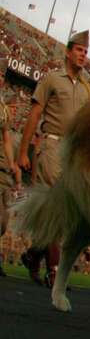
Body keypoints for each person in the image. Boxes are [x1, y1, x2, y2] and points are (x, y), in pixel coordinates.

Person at [18, 30, 90, 287]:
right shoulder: (52, 79)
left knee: (63, 211)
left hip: (71, 152)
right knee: (56, 206)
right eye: (79, 50)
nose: (83, 55)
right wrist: (22, 150)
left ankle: (32, 254)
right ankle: (53, 269)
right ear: (68, 52)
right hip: (50, 146)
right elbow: (34, 114)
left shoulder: (86, 88)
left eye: (86, 52)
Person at [0, 85, 17, 276]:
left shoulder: (3, 109)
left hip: (4, 168)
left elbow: (6, 139)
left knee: (4, 221)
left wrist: (12, 163)